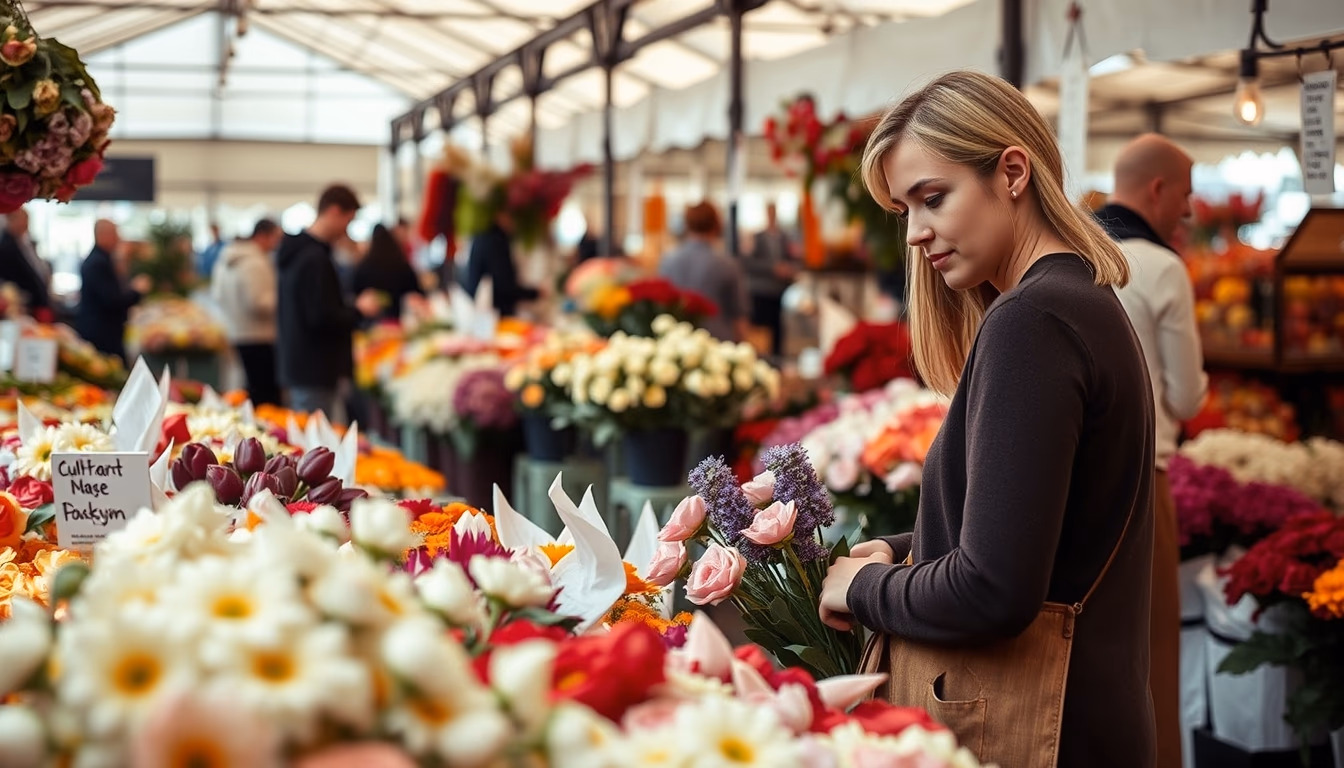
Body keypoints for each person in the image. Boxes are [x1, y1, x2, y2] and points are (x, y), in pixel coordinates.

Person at [817, 71, 1156, 766]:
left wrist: (865, 587)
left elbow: (994, 590)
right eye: (903, 211)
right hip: (1083, 716)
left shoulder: (1032, 322)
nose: (914, 233)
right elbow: (1034, 527)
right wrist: (900, 546)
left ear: (1011, 172)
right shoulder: (1075, 302)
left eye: (932, 198)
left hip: (1043, 731)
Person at [1097, 133, 1208, 768]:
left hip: (1076, 484)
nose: (1189, 212)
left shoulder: (1072, 256)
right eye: (1186, 195)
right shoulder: (1163, 267)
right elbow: (1188, 398)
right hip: (1145, 479)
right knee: (1152, 653)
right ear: (1158, 190)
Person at [276, 185, 382, 422]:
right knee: (317, 443)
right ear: (334, 211)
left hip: (301, 364)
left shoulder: (299, 252)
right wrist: (358, 310)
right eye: (348, 219)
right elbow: (320, 316)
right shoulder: (314, 258)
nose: (348, 229)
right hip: (315, 367)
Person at [212, 218, 284, 406]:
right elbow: (258, 303)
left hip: (237, 329)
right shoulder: (254, 262)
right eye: (276, 238)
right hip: (258, 334)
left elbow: (217, 294)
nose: (278, 244)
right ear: (262, 236)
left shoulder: (227, 258)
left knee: (252, 386)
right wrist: (284, 300)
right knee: (263, 393)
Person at [658, 201, 748, 342]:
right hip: (718, 345)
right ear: (716, 225)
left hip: (677, 343)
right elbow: (739, 317)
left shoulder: (668, 261)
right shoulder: (727, 265)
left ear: (687, 225)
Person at [76, 220, 150, 363]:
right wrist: (137, 291)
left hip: (103, 329)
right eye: (115, 234)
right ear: (103, 235)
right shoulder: (98, 263)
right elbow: (113, 300)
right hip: (101, 332)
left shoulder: (103, 259)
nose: (119, 239)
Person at [743, 202, 799, 355]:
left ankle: (777, 355)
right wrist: (772, 268)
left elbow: (793, 257)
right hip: (761, 290)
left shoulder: (784, 237)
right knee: (761, 326)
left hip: (777, 289)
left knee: (777, 325)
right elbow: (749, 263)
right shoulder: (757, 237)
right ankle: (760, 354)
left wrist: (788, 268)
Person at [461, 211, 540, 318]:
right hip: (495, 315)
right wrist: (534, 293)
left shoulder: (480, 237)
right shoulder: (496, 241)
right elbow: (504, 285)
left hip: (480, 311)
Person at [352, 223, 423, 324]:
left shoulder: (364, 266)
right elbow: (415, 289)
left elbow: (356, 292)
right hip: (398, 318)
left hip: (371, 320)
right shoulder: (400, 263)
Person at [0, 208, 52, 321]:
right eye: (23, 220)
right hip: (23, 305)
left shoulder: (25, 242)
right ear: (10, 221)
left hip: (37, 303)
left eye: (27, 220)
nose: (26, 224)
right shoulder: (6, 246)